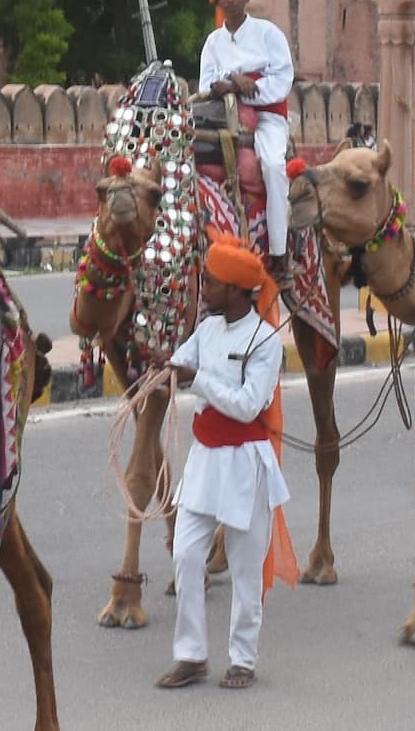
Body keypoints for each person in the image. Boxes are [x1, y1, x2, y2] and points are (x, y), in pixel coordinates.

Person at [159, 239, 294, 690]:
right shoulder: (208, 330)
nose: (206, 288)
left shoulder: (265, 341)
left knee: (244, 567)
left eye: (213, 282)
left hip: (244, 464)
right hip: (204, 460)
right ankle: (192, 654)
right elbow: (182, 362)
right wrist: (164, 370)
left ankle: (243, 659)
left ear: (237, 290)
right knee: (186, 555)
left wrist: (197, 381)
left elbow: (247, 405)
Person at [194, 0, 297, 256]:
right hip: (224, 121)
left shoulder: (269, 34)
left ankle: (279, 251)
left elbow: (282, 80)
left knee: (273, 166)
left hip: (266, 119)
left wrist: (246, 87)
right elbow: (205, 86)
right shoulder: (213, 43)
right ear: (217, 0)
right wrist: (228, 86)